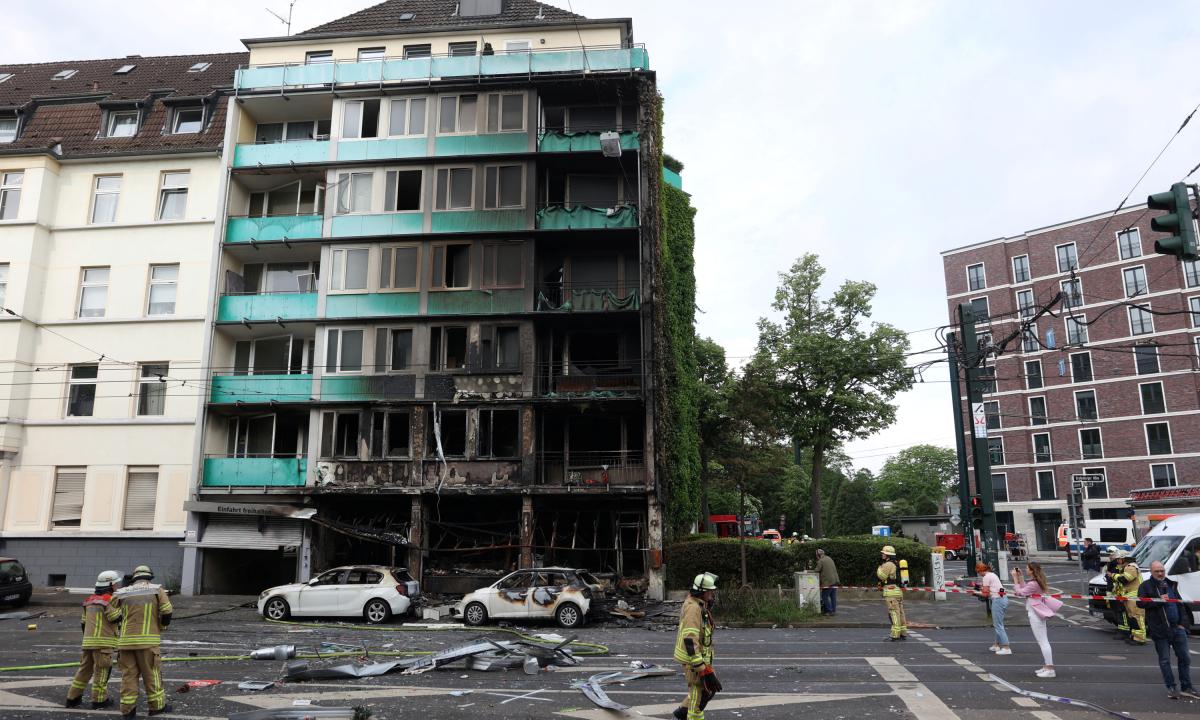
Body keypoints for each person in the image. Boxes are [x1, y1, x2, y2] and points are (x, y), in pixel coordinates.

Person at [106, 565, 173, 717]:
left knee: (128, 677)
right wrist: (162, 626)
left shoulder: (121, 592)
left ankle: (128, 711)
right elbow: (167, 610)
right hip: (148, 643)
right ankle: (156, 707)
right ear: (149, 577)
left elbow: (111, 614)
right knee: (152, 675)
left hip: (125, 643)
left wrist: (122, 618)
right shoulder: (157, 590)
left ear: (134, 578)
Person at [1137, 561, 1198, 700]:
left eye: (1162, 571)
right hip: (1160, 630)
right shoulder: (1146, 586)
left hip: (1177, 628)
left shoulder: (1171, 584)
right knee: (1165, 660)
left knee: (1185, 658)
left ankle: (1186, 687)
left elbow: (1180, 605)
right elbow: (1140, 603)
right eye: (1157, 571)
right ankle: (1171, 687)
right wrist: (1158, 600)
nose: (1160, 573)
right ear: (1151, 572)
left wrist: (1183, 625)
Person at [65, 571, 121, 709]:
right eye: (116, 583)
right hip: (103, 643)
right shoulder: (109, 599)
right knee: (102, 672)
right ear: (111, 585)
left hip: (88, 642)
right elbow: (114, 617)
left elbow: (83, 623)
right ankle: (99, 700)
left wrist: (89, 639)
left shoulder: (89, 600)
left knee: (84, 671)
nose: (118, 586)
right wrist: (124, 609)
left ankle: (72, 698)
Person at [672, 572, 720, 720]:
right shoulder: (693, 608)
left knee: (706, 690)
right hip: (693, 660)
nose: (712, 594)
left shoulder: (699, 605)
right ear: (701, 592)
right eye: (709, 591)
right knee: (699, 695)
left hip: (700, 658)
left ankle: (681, 713)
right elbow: (690, 639)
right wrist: (701, 668)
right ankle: (691, 716)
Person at [1012, 562, 1057, 678]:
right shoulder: (1036, 582)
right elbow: (1026, 589)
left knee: (1043, 642)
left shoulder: (1033, 583)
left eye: (1027, 568)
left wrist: (1015, 579)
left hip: (1035, 614)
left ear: (1032, 571)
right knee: (1043, 641)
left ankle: (1050, 669)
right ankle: (1047, 666)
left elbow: (1021, 592)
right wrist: (1021, 577)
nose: (1026, 569)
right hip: (1037, 612)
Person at [1110, 549, 1147, 645]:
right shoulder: (1126, 567)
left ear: (1124, 559)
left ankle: (1140, 639)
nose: (1118, 561)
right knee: (1132, 618)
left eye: (1119, 559)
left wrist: (1113, 575)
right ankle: (1135, 636)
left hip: (1135, 598)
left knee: (1137, 617)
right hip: (1130, 598)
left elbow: (1125, 579)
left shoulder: (1131, 567)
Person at [978, 562, 1011, 655]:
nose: (979, 574)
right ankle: (996, 645)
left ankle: (1006, 647)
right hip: (1003, 598)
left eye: (978, 572)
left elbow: (985, 594)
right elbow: (994, 589)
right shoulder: (992, 575)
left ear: (980, 570)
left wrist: (975, 592)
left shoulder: (986, 577)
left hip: (997, 600)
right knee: (998, 623)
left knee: (998, 625)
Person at [877, 546, 906, 641]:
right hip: (898, 591)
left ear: (887, 555)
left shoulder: (888, 564)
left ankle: (895, 635)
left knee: (894, 613)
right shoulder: (896, 563)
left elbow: (882, 576)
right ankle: (903, 633)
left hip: (891, 593)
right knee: (900, 613)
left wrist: (879, 568)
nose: (882, 554)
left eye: (883, 553)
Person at [816, 549, 839, 615]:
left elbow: (817, 570)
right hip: (835, 580)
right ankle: (833, 611)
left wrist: (808, 571)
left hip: (828, 582)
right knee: (833, 597)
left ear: (818, 555)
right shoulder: (829, 558)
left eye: (816, 555)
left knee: (824, 596)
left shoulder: (821, 561)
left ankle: (829, 611)